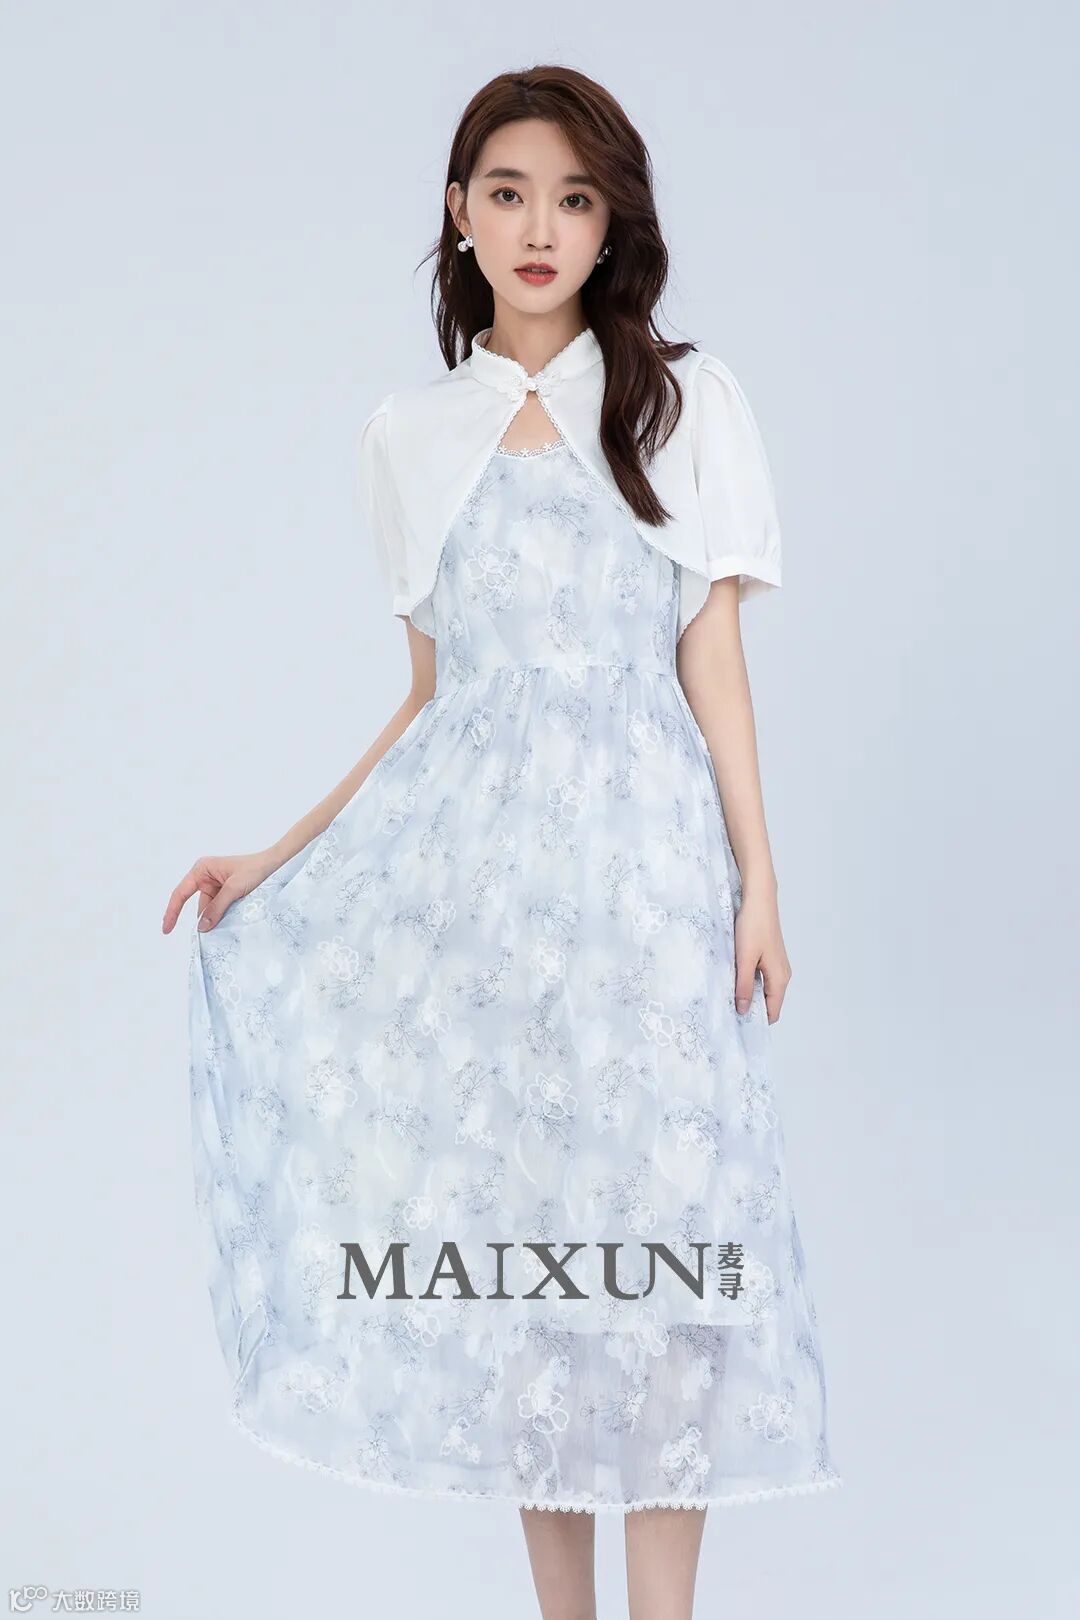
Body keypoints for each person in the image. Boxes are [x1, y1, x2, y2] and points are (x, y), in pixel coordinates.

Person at [163, 63, 842, 1620]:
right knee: (535, 1288)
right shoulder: (411, 436)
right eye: (512, 193)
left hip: (652, 886)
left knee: (669, 1285)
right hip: (487, 906)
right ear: (460, 214)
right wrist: (278, 856)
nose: (542, 228)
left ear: (613, 226)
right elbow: (434, 699)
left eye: (576, 199)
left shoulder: (682, 402)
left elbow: (713, 660)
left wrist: (760, 885)